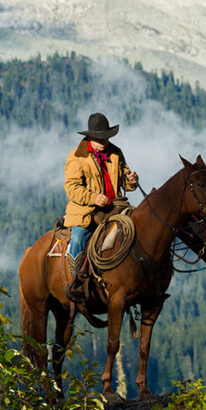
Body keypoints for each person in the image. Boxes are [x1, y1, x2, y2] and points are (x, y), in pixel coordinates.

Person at [64, 112, 138, 302]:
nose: (103, 141)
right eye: (99, 138)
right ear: (89, 137)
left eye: (106, 137)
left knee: (137, 229)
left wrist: (131, 181)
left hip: (114, 208)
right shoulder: (77, 157)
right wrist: (93, 198)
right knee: (79, 237)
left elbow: (125, 180)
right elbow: (71, 188)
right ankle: (76, 280)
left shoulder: (116, 153)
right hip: (86, 212)